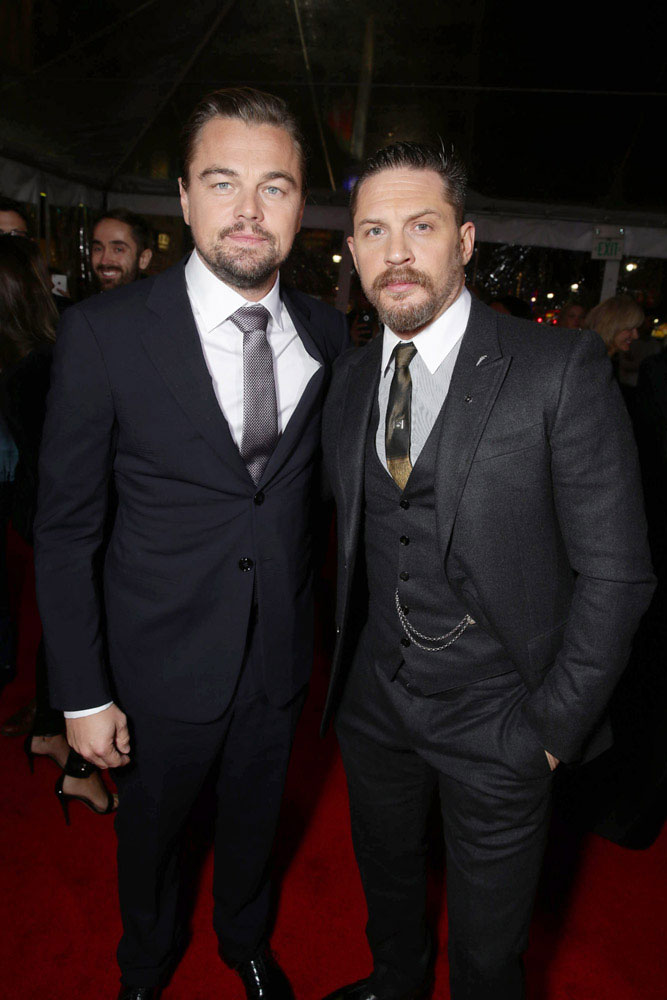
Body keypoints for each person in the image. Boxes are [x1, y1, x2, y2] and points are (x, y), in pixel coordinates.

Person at [319, 141, 654, 1000]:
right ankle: (394, 981)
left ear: (464, 240)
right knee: (387, 884)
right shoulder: (348, 380)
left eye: (421, 226)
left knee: (487, 953)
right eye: (374, 231)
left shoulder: (556, 369)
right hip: (374, 702)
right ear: (352, 250)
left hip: (500, 714)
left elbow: (617, 574)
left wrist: (550, 730)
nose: (396, 252)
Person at [34, 87, 348, 1000]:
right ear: (181, 196)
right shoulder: (103, 334)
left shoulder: (328, 333)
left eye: (274, 186)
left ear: (300, 204)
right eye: (221, 182)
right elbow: (66, 528)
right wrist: (81, 692)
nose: (248, 210)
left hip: (278, 650)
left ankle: (243, 940)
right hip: (157, 657)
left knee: (255, 818)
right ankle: (144, 964)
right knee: (153, 832)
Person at [0, 234, 116, 814]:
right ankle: (77, 768)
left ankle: (48, 733)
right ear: (29, 289)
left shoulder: (19, 358)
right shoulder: (45, 362)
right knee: (83, 626)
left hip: (33, 507)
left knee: (61, 622)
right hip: (65, 513)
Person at [90, 207, 154, 291]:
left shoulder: (158, 297)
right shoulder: (87, 297)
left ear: (143, 259)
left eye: (118, 250)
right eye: (98, 249)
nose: (104, 261)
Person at [585, 293, 643, 358]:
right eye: (630, 329)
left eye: (637, 328)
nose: (636, 336)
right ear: (610, 326)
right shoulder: (587, 358)